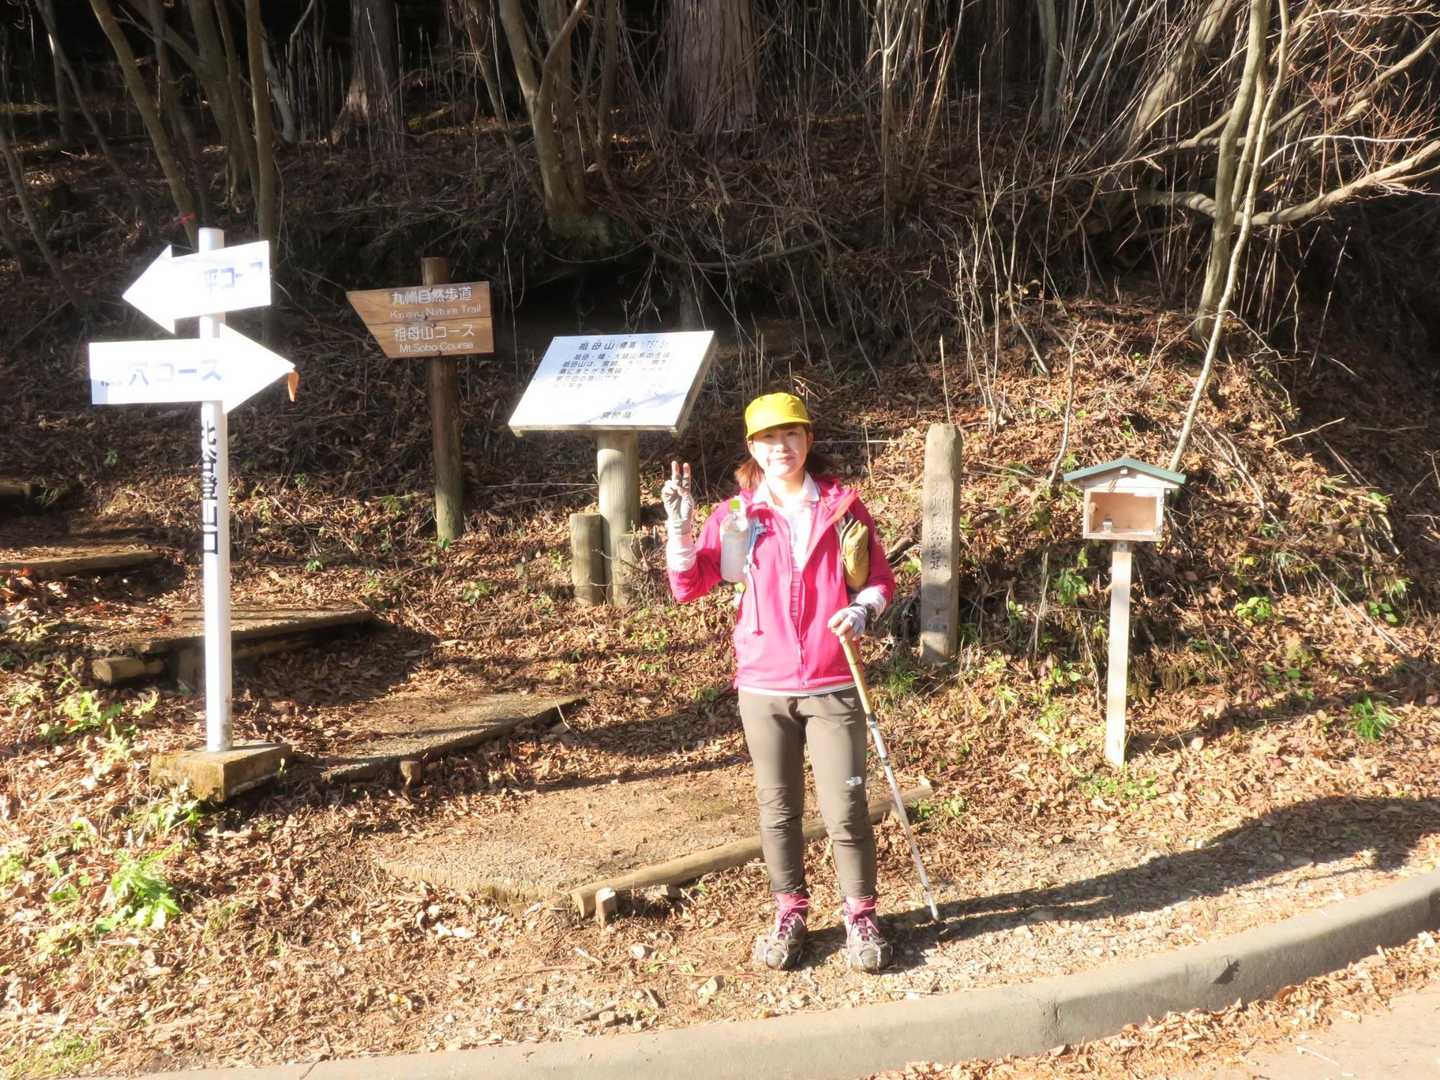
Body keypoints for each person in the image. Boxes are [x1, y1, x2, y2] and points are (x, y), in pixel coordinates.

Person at [661, 392, 897, 972]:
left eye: (791, 434)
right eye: (768, 438)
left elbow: (880, 581)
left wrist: (861, 611)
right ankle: (789, 911)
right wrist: (679, 528)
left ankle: (860, 915)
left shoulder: (842, 508)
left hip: (833, 677)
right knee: (778, 808)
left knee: (846, 806)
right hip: (763, 685)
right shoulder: (737, 516)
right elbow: (688, 585)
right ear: (752, 448)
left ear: (808, 440)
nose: (781, 447)